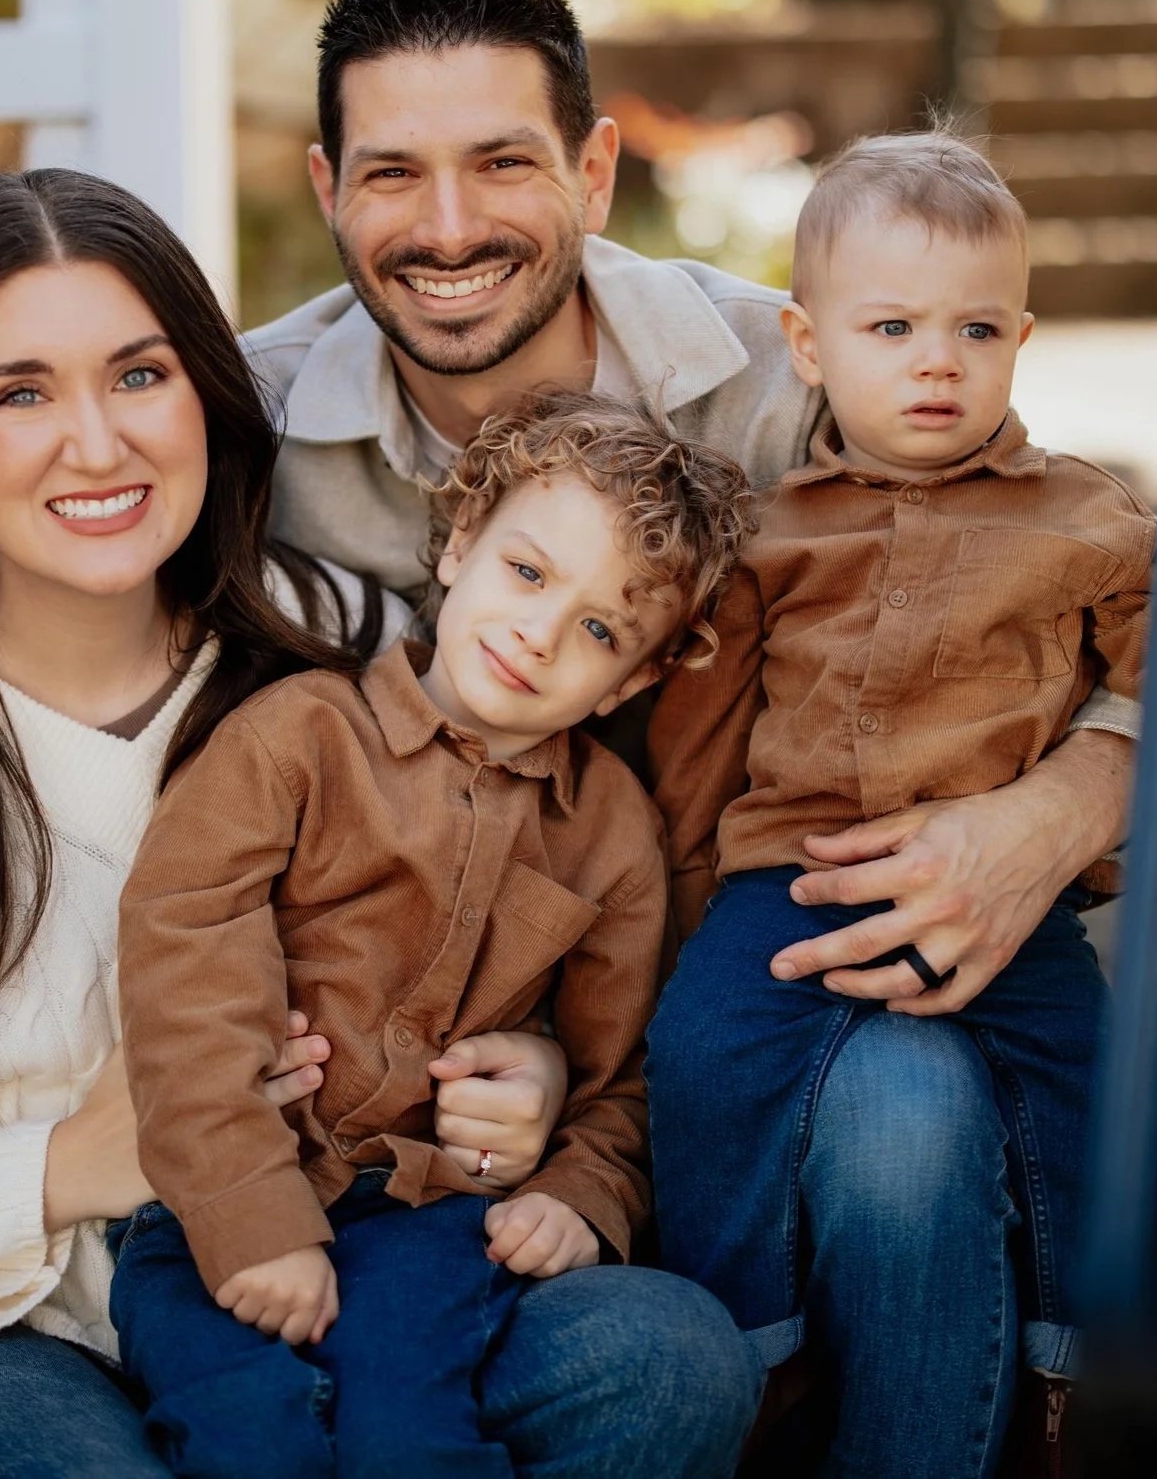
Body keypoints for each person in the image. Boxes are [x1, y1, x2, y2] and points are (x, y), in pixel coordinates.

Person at [0, 168, 760, 1479]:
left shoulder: (336, 642)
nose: (96, 442)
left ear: (204, 399)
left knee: (663, 1353)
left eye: (137, 374)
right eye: (19, 393)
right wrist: (69, 1160)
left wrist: (531, 1072)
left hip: (346, 1278)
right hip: (13, 1330)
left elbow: (499, 905)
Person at [238, 0, 1143, 1464]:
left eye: (502, 162)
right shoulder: (244, 434)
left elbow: (1049, 575)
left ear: (596, 170)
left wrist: (1063, 804)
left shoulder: (800, 377)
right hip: (472, 1062)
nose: (446, 226)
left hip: (767, 939)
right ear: (327, 183)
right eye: (393, 172)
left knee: (911, 1104)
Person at [110, 393, 752, 1477]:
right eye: (527, 572)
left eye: (599, 629)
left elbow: (629, 1071)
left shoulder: (608, 833)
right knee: (247, 1432)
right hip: (218, 1200)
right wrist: (250, 1212)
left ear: (636, 678)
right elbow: (183, 963)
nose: (537, 633)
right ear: (461, 545)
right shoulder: (296, 735)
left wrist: (577, 1189)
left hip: (431, 1220)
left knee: (408, 1435)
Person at [645, 131, 1156, 1474]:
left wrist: (1092, 785)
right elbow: (701, 729)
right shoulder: (766, 531)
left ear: (1019, 337)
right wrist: (685, 878)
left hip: (1005, 890)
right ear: (806, 347)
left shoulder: (1081, 518)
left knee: (1080, 1084)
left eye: (972, 327)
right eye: (889, 326)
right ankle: (755, 1341)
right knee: (701, 1054)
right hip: (789, 877)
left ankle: (1061, 1372)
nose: (934, 359)